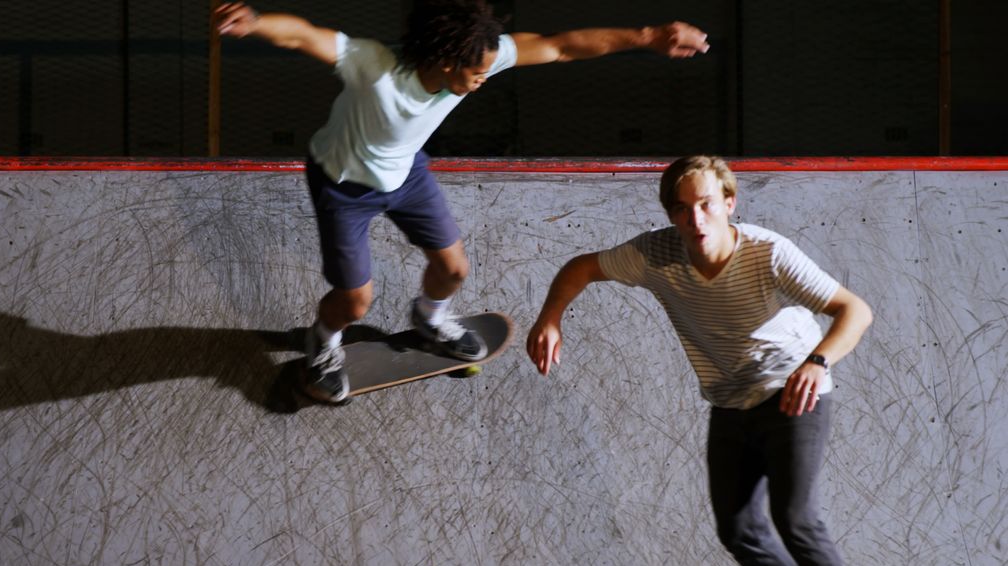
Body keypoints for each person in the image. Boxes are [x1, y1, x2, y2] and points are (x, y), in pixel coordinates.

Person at [215, 0, 710, 404]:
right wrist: (256, 22)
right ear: (446, 61)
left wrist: (647, 36)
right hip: (343, 184)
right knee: (355, 300)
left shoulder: (482, 54)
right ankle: (322, 341)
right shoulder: (375, 67)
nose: (482, 80)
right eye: (476, 74)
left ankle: (429, 319)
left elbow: (560, 47)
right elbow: (305, 35)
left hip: (406, 171)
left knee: (453, 269)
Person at [526, 156, 873, 566]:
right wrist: (550, 317)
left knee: (796, 520)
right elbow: (582, 268)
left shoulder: (768, 253)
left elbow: (854, 310)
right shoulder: (654, 254)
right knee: (738, 530)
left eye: (706, 204)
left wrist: (818, 361)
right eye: (682, 209)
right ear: (671, 215)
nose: (696, 219)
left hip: (791, 392)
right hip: (728, 401)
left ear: (729, 203)